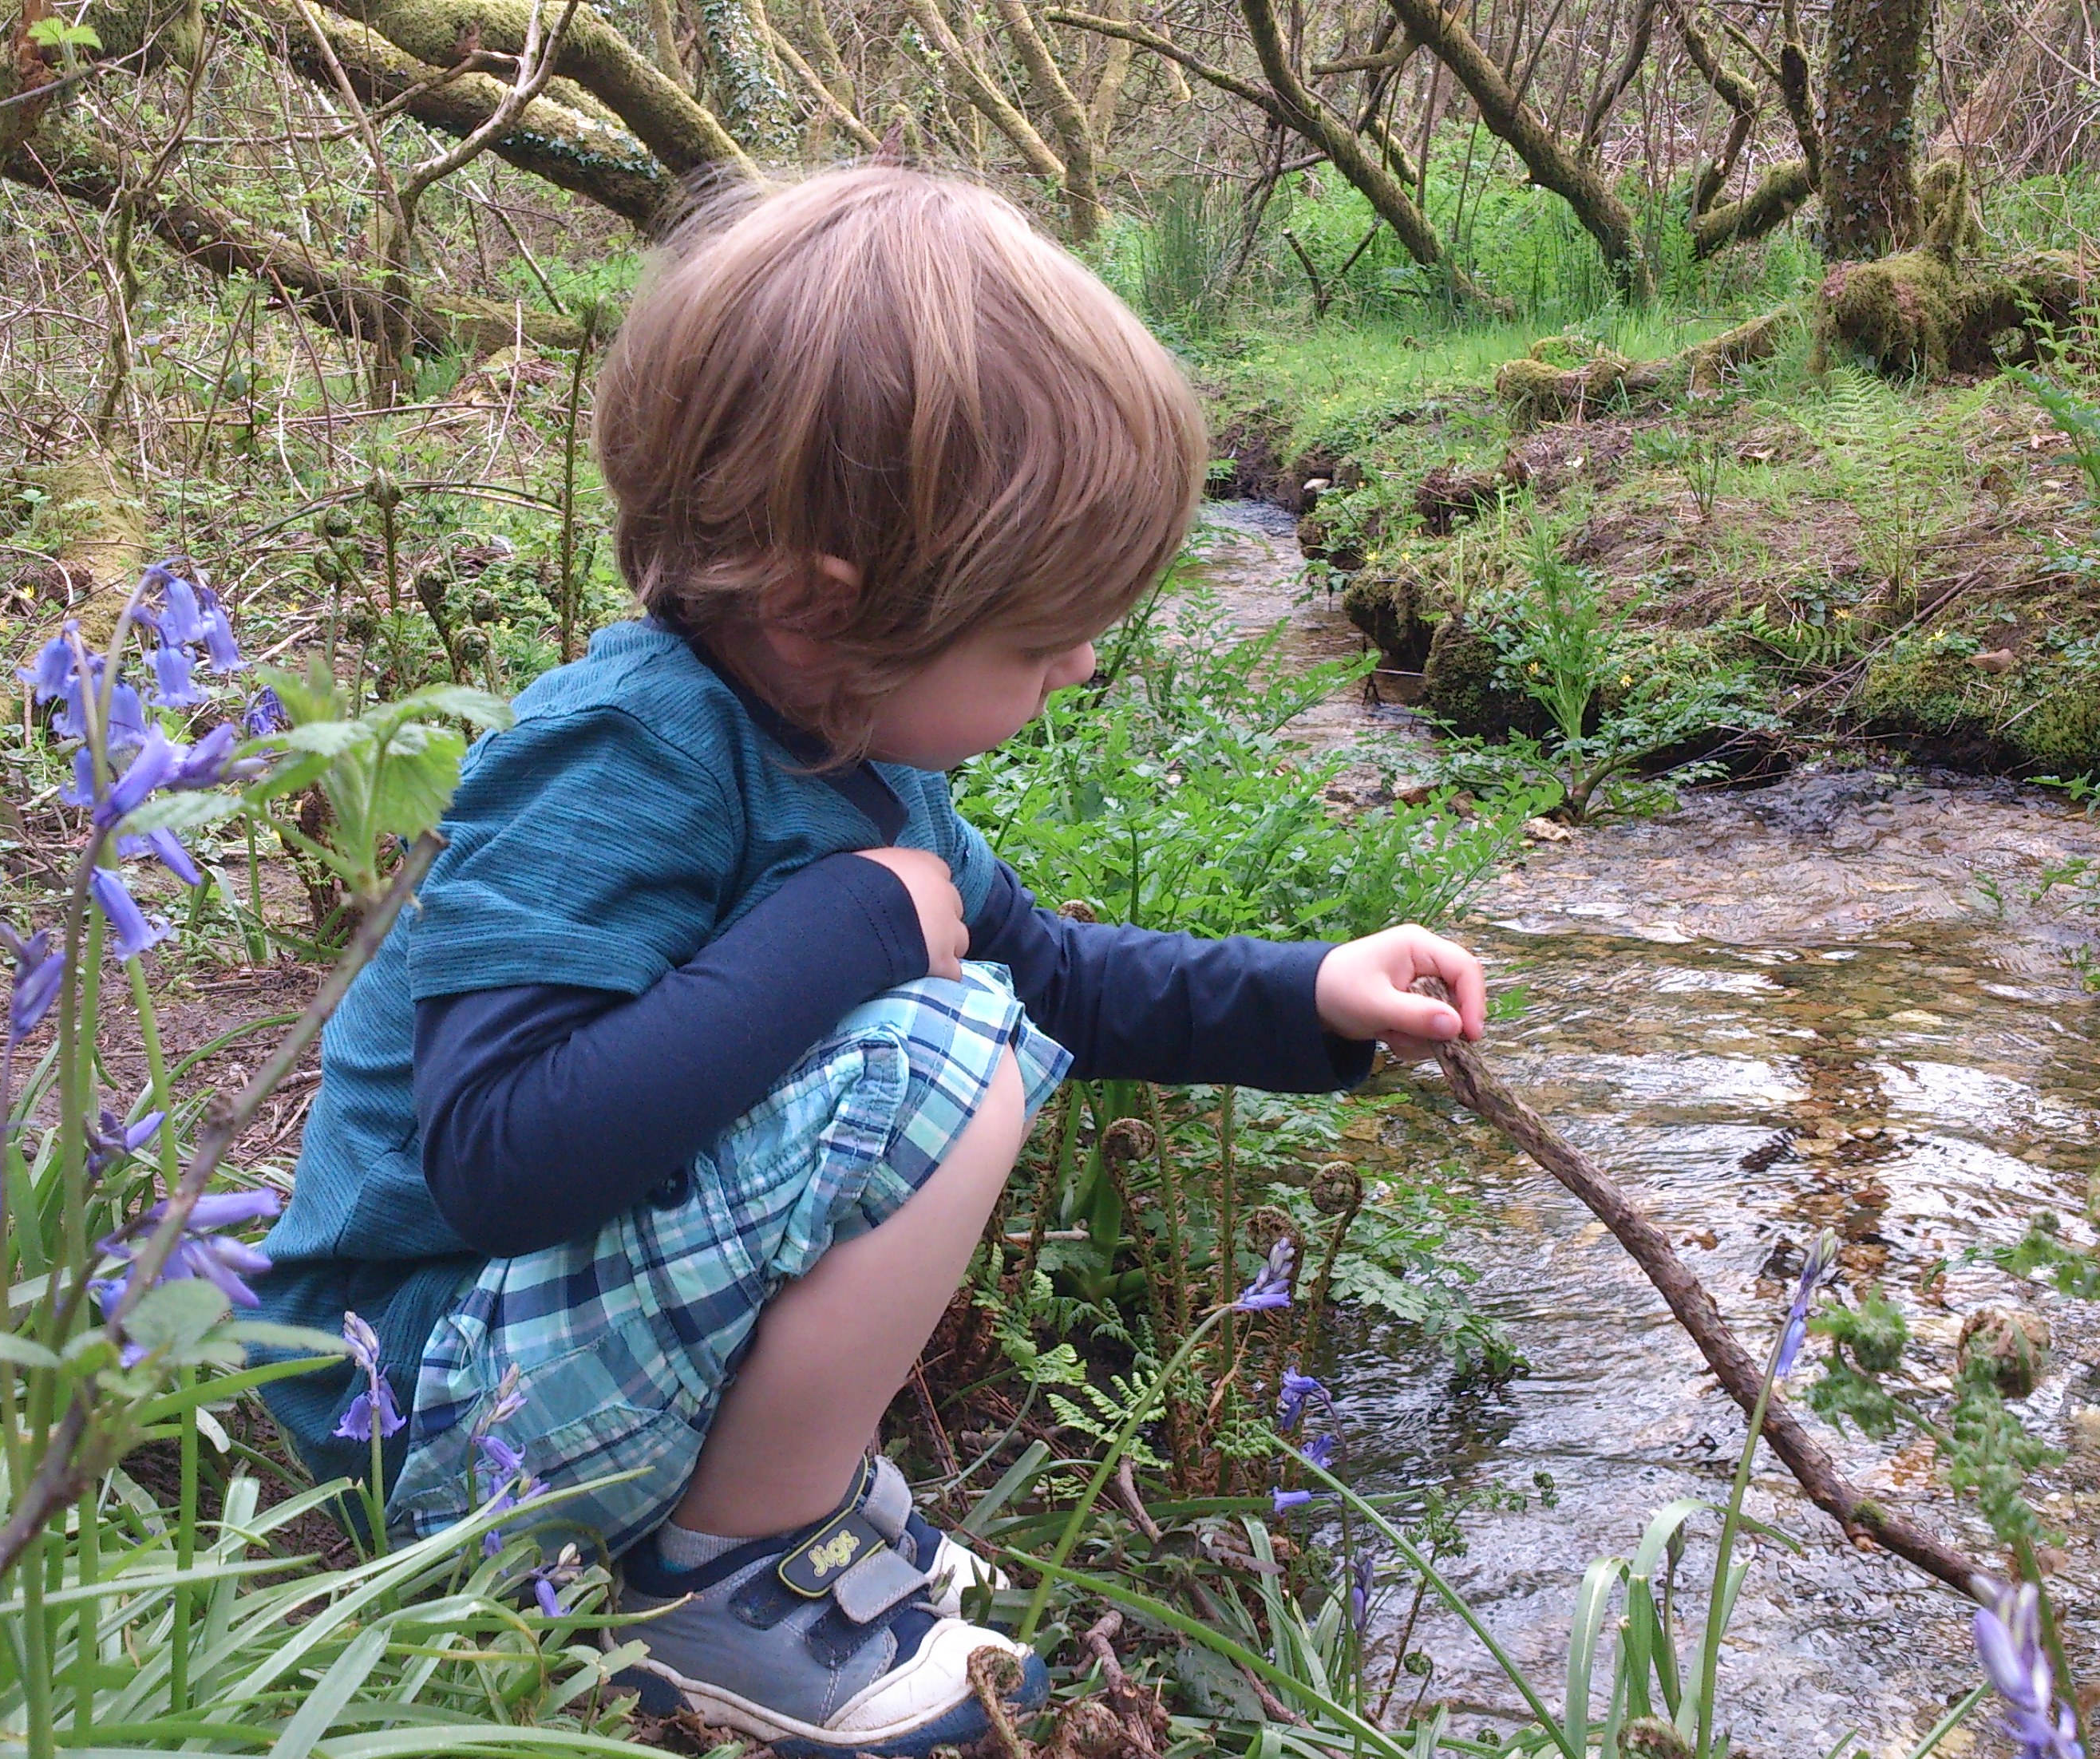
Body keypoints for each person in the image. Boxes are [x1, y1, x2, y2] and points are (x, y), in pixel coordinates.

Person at [255, 164, 1487, 1757]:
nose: (1082, 664)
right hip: (419, 1405)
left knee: (973, 1006)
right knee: (943, 1050)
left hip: (537, 1361)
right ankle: (721, 1582)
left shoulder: (860, 763)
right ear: (816, 609)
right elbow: (499, 1156)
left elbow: (1056, 975)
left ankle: (743, 1520)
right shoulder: (616, 757)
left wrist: (1309, 992)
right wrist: (844, 931)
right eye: (1038, 640)